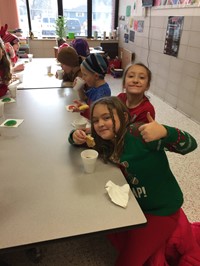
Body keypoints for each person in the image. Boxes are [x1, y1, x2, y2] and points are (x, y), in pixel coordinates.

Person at [68, 96, 198, 266]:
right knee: (104, 226)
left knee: (128, 260)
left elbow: (190, 145)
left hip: (162, 211)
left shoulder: (140, 135)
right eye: (95, 120)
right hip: (136, 207)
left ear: (125, 117)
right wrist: (75, 136)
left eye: (106, 117)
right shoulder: (104, 141)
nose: (100, 124)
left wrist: (165, 132)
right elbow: (79, 140)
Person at [73, 53, 111, 120]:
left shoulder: (102, 93)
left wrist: (83, 110)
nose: (83, 78)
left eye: (85, 75)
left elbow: (97, 116)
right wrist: (80, 88)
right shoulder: (94, 87)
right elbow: (84, 99)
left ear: (96, 76)